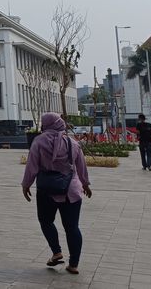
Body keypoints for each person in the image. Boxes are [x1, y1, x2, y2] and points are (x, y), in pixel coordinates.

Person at [22, 112, 92, 275]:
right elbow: (81, 166)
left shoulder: (38, 142)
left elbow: (31, 166)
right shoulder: (72, 143)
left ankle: (56, 251)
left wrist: (26, 185)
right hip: (71, 190)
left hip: (47, 190)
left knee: (45, 221)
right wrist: (85, 184)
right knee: (72, 227)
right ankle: (73, 264)